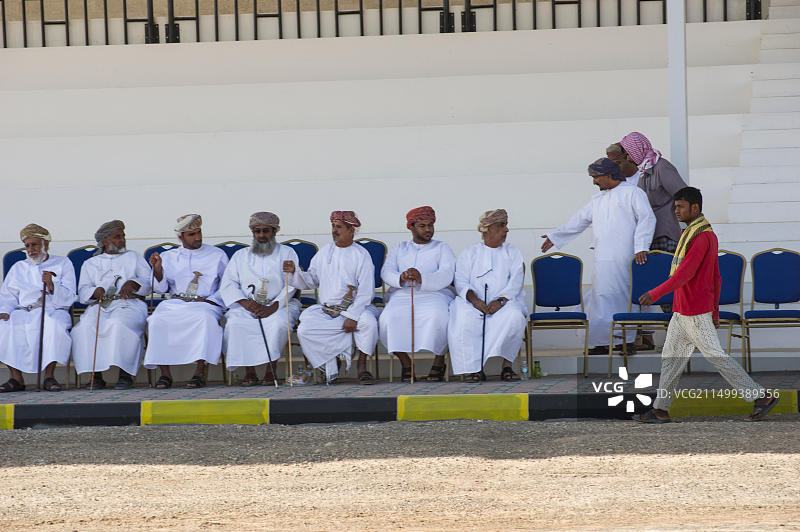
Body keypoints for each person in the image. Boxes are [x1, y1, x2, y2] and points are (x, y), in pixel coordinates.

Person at [635, 187, 780, 423]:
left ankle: (761, 396)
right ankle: (661, 409)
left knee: (714, 355)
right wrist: (714, 311)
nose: (676, 211)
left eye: (680, 207)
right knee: (671, 356)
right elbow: (715, 277)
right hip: (684, 310)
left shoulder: (701, 236)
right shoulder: (694, 233)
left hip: (693, 309)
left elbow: (685, 274)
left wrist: (655, 293)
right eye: (675, 207)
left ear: (695, 208)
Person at [542, 158, 655, 355]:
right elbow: (579, 220)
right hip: (602, 258)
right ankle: (603, 343)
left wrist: (641, 247)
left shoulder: (633, 193)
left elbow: (647, 218)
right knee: (600, 298)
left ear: (609, 176)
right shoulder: (598, 199)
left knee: (623, 298)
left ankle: (625, 342)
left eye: (596, 177)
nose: (594, 182)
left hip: (626, 257)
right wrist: (555, 236)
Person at [283, 211, 378, 384]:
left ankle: (362, 367)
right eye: (333, 226)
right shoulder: (325, 251)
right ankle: (330, 365)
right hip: (327, 309)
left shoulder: (361, 255)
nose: (334, 230)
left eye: (339, 227)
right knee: (306, 329)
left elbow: (366, 291)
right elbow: (311, 281)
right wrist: (295, 273)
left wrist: (352, 316)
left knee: (369, 324)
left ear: (352, 230)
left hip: (355, 308)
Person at [143, 214, 228, 389]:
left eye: (199, 232)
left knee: (204, 320)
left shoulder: (217, 254)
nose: (198, 237)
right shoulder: (168, 256)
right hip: (176, 302)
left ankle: (199, 373)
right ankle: (165, 375)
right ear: (180, 237)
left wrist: (211, 300)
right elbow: (160, 289)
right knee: (156, 321)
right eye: (191, 234)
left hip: (206, 304)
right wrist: (157, 270)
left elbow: (228, 284)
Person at [619, 132, 688, 349]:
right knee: (650, 285)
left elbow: (684, 195)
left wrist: (687, 227)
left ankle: (682, 338)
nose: (627, 158)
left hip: (666, 234)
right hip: (649, 237)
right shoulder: (645, 171)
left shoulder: (662, 167)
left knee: (670, 286)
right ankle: (650, 338)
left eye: (628, 153)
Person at [221, 212, 301, 386]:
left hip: (279, 304)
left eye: (266, 231)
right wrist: (246, 303)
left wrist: (272, 307)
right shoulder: (240, 256)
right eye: (257, 231)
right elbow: (228, 284)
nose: (261, 235)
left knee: (278, 324)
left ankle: (269, 371)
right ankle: (249, 372)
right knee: (236, 324)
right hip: (246, 305)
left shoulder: (287, 252)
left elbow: (292, 283)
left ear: (275, 231)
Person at [448, 209, 527, 382]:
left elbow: (516, 281)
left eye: (506, 225)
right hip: (472, 303)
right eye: (501, 226)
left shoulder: (513, 252)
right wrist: (475, 300)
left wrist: (500, 300)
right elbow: (460, 281)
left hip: (504, 302)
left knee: (514, 316)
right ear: (488, 229)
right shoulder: (469, 253)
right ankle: (473, 369)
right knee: (462, 317)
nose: (506, 230)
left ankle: (507, 365)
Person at [71, 220, 151, 389]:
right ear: (105, 241)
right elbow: (83, 289)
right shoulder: (91, 263)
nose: (122, 240)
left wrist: (135, 284)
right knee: (84, 328)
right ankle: (96, 375)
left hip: (129, 304)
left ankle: (125, 373)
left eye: (123, 236)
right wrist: (95, 292)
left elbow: (148, 282)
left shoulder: (134, 257)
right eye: (117, 237)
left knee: (118, 324)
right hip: (100, 305)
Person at [379, 206, 456, 382]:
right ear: (411, 227)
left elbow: (447, 273)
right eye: (422, 225)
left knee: (439, 317)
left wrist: (423, 278)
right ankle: (406, 362)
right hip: (402, 294)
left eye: (430, 225)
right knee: (388, 319)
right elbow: (386, 271)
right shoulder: (399, 248)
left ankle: (439, 360)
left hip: (435, 294)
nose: (428, 229)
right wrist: (401, 277)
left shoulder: (442, 247)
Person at [0, 224, 76, 392]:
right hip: (23, 311)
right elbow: (7, 295)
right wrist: (4, 311)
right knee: (4, 327)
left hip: (53, 309)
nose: (30, 249)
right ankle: (16, 378)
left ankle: (49, 377)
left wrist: (52, 285)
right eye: (27, 246)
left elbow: (70, 295)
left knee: (54, 326)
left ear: (45, 244)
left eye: (34, 244)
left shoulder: (63, 263)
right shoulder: (18, 267)